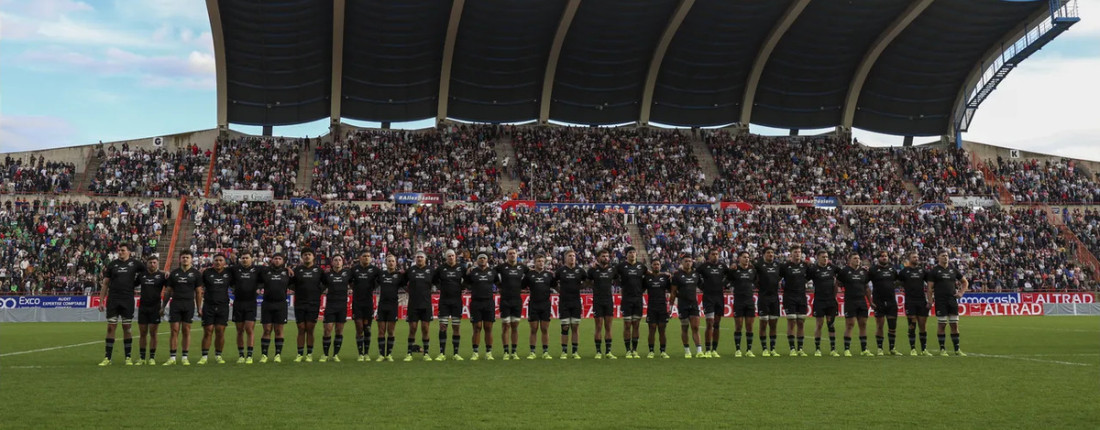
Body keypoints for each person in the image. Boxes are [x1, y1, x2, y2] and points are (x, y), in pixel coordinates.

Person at [98, 244, 145, 366]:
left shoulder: (135, 263)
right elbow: (105, 284)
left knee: (127, 328)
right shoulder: (113, 264)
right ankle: (107, 358)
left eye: (123, 250)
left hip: (127, 299)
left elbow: (147, 272)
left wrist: (163, 272)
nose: (120, 252)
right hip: (113, 299)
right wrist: (101, 300)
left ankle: (128, 358)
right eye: (119, 250)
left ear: (129, 252)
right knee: (110, 327)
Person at [927, 250, 968, 356]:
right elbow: (930, 288)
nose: (945, 257)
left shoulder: (953, 270)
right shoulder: (934, 271)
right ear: (938, 258)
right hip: (940, 301)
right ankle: (942, 349)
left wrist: (961, 293)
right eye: (943, 256)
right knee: (942, 324)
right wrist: (930, 300)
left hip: (952, 300)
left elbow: (965, 282)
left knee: (954, 325)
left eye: (947, 256)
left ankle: (957, 349)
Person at [163, 250, 201, 365]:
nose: (185, 259)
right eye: (183, 257)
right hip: (176, 304)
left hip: (189, 304)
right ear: (180, 259)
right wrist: (162, 306)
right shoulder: (174, 273)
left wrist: (199, 308)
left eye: (187, 257)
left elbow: (198, 292)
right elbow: (168, 291)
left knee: (186, 330)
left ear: (191, 259)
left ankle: (185, 357)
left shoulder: (196, 274)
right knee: (174, 330)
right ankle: (172, 358)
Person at [198, 254, 232, 364]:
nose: (218, 262)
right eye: (216, 260)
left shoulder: (229, 273)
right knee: (208, 331)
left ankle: (218, 355)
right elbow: (198, 286)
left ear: (224, 262)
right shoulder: (206, 272)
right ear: (213, 262)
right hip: (208, 305)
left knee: (220, 331)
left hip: (223, 306)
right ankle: (204, 356)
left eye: (220, 260)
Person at [258, 253, 292, 363]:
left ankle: (278, 355)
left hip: (281, 304)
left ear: (283, 261)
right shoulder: (265, 271)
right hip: (267, 303)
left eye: (279, 259)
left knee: (279, 330)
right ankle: (264, 355)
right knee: (267, 330)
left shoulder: (287, 272)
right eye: (275, 259)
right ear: (272, 260)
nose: (277, 260)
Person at [291, 249, 324, 362]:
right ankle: (300, 353)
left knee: (310, 329)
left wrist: (318, 290)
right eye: (304, 255)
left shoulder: (319, 270)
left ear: (313, 257)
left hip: (313, 303)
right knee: (301, 328)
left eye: (309, 254)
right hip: (299, 302)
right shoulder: (297, 270)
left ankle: (309, 354)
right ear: (302, 257)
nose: (307, 256)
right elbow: (290, 283)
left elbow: (325, 282)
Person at [837, 254, 873, 357]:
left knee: (863, 325)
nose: (857, 260)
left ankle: (864, 349)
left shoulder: (864, 272)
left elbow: (866, 288)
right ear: (850, 260)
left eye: (858, 258)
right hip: (850, 301)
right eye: (855, 258)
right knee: (850, 324)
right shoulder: (844, 271)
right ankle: (847, 349)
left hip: (862, 301)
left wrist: (870, 302)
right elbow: (838, 283)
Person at [433, 250, 465, 361]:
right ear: (446, 258)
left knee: (456, 327)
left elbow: (468, 279)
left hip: (456, 301)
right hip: (444, 302)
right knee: (443, 326)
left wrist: (462, 287)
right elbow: (434, 280)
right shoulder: (441, 268)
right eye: (449, 256)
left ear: (455, 257)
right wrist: (440, 286)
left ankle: (456, 353)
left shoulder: (461, 268)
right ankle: (442, 353)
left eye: (452, 256)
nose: (451, 257)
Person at [615, 246, 647, 358]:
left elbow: (649, 277)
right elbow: (612, 275)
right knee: (627, 325)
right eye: (630, 252)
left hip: (638, 299)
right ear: (626, 254)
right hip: (626, 299)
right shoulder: (621, 266)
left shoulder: (641, 267)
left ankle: (635, 350)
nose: (632, 254)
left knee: (636, 325)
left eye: (634, 252)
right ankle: (628, 350)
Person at [495, 249, 527, 360]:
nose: (512, 255)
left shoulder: (522, 267)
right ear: (507, 256)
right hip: (505, 301)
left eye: (514, 253)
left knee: (514, 326)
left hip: (517, 301)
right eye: (510, 254)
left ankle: (514, 351)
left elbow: (531, 275)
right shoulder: (502, 267)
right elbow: (491, 274)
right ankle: (505, 352)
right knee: (505, 326)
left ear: (517, 255)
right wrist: (499, 286)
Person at [231, 250, 262, 363]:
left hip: (251, 303)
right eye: (243, 258)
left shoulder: (258, 270)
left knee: (249, 329)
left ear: (252, 259)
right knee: (239, 330)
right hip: (238, 303)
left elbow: (267, 276)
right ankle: (241, 355)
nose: (244, 259)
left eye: (247, 258)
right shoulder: (234, 269)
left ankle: (249, 355)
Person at [807, 250, 840, 357]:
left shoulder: (833, 268)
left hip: (831, 301)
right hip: (819, 301)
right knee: (819, 324)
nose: (825, 259)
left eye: (826, 257)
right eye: (823, 257)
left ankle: (833, 349)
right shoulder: (813, 270)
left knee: (831, 325)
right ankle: (817, 349)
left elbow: (844, 274)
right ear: (818, 258)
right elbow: (803, 278)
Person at [899, 251, 932, 356]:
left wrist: (930, 299)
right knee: (912, 325)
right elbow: (897, 283)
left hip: (922, 301)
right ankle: (913, 349)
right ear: (909, 259)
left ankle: (924, 349)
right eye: (914, 257)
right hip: (910, 301)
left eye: (917, 257)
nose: (916, 258)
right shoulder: (904, 271)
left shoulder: (923, 271)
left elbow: (930, 285)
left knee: (923, 326)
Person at [869, 250, 901, 356]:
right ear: (878, 258)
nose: (884, 258)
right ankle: (880, 348)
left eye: (886, 256)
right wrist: (870, 300)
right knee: (880, 325)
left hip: (891, 301)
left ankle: (892, 348)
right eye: (882, 256)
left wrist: (893, 286)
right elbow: (865, 284)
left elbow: (899, 280)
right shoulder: (873, 270)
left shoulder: (892, 269)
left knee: (892, 326)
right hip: (879, 302)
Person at [135, 255, 166, 365]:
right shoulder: (142, 275)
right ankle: (142, 358)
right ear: (147, 264)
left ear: (157, 264)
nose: (152, 264)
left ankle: (152, 358)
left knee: (153, 333)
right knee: (142, 333)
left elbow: (170, 288)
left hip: (155, 307)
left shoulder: (162, 276)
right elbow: (132, 284)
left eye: (154, 262)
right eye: (150, 262)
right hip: (143, 307)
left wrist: (163, 307)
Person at [671, 254, 703, 358]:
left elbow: (702, 286)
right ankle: (687, 351)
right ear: (682, 263)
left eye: (690, 261)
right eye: (686, 261)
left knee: (696, 327)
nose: (688, 263)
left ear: (692, 262)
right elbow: (673, 291)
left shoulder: (696, 274)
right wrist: (671, 307)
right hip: (682, 304)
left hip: (693, 304)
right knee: (684, 328)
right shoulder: (677, 275)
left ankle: (699, 351)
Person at [697, 248, 728, 358]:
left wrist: (724, 284)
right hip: (708, 297)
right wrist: (702, 287)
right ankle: (708, 349)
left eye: (716, 254)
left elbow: (730, 276)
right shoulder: (703, 267)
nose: (715, 256)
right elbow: (695, 276)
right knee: (709, 322)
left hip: (719, 297)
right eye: (713, 254)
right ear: (708, 256)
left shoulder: (722, 266)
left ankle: (714, 349)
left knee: (717, 324)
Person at [523, 254, 555, 359]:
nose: (540, 263)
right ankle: (532, 352)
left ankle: (545, 352)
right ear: (535, 262)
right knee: (533, 329)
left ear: (544, 262)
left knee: (545, 329)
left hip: (545, 304)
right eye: (538, 261)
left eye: (542, 261)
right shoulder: (529, 274)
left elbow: (556, 286)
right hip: (534, 304)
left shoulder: (549, 275)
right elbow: (521, 286)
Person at [349, 251, 380, 361]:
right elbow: (348, 281)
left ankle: (366, 353)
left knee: (367, 328)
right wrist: (355, 288)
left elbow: (381, 279)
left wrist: (373, 286)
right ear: (360, 258)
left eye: (368, 256)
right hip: (357, 303)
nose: (366, 258)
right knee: (359, 327)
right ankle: (360, 354)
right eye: (364, 256)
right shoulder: (354, 270)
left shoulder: (375, 270)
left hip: (368, 303)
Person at [556, 250, 587, 359]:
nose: (572, 257)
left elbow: (587, 281)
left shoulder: (580, 271)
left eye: (574, 256)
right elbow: (554, 283)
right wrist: (560, 291)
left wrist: (580, 288)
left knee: (575, 327)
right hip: (564, 302)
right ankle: (564, 351)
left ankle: (575, 352)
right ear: (565, 258)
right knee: (565, 327)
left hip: (576, 302)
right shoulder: (560, 271)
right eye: (570, 256)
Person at [465, 254, 497, 360]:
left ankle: (488, 352)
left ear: (487, 260)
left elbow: (498, 283)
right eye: (480, 258)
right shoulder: (472, 272)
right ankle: (475, 352)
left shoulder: (492, 272)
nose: (482, 260)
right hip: (476, 303)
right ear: (477, 260)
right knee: (477, 327)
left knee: (488, 328)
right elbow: (466, 283)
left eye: (484, 258)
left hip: (489, 302)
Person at [320, 255, 351, 362]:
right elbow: (320, 286)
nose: (337, 262)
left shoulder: (348, 273)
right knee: (327, 329)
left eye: (339, 260)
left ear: (343, 262)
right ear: (332, 262)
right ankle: (325, 354)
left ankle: (335, 355)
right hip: (330, 305)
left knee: (339, 330)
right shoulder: (327, 275)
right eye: (335, 260)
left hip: (342, 306)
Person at [780, 245, 810, 356]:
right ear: (791, 254)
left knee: (801, 323)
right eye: (795, 252)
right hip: (789, 297)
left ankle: (800, 349)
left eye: (799, 252)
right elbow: (777, 278)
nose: (798, 254)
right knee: (791, 322)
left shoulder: (805, 266)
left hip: (801, 297)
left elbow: (810, 276)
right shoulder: (785, 266)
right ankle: (792, 348)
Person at [375, 254, 406, 362]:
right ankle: (381, 354)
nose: (391, 263)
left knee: (391, 331)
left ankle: (388, 354)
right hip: (382, 305)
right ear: (386, 263)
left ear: (396, 263)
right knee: (381, 331)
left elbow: (406, 287)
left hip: (393, 306)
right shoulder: (381, 274)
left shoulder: (399, 276)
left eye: (393, 261)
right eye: (389, 261)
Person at [404, 252, 434, 361]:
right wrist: (408, 291)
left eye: (422, 257)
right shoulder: (410, 270)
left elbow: (437, 281)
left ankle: (426, 353)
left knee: (425, 328)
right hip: (413, 304)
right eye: (418, 257)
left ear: (425, 259)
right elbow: (402, 281)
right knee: (412, 328)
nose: (420, 259)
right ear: (415, 259)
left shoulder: (431, 270)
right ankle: (409, 353)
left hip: (426, 304)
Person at [588, 249, 617, 359]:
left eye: (607, 256)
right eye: (603, 256)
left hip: (609, 301)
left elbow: (617, 280)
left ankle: (608, 352)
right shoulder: (592, 270)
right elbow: (587, 282)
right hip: (598, 301)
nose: (606, 258)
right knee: (598, 327)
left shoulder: (612, 270)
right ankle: (598, 352)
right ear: (598, 258)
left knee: (609, 327)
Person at [755, 247, 782, 357]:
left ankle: (773, 348)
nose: (771, 254)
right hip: (763, 298)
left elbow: (781, 277)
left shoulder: (778, 266)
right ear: (764, 255)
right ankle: (764, 348)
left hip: (774, 298)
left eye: (772, 252)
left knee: (774, 324)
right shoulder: (758, 265)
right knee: (763, 324)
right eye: (768, 253)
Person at [729, 251, 757, 358]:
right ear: (739, 258)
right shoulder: (735, 270)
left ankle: (749, 350)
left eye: (748, 257)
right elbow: (728, 279)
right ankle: (738, 350)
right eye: (744, 257)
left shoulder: (752, 271)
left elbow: (756, 281)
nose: (747, 259)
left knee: (749, 326)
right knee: (739, 326)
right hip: (738, 301)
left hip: (749, 301)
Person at [644, 259, 671, 358]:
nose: (656, 266)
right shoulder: (647, 278)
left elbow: (671, 289)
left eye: (658, 264)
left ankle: (663, 351)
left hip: (662, 306)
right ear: (651, 265)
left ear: (660, 266)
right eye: (654, 264)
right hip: (651, 306)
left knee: (662, 329)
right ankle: (651, 351)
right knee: (652, 329)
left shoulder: (665, 277)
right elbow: (641, 289)